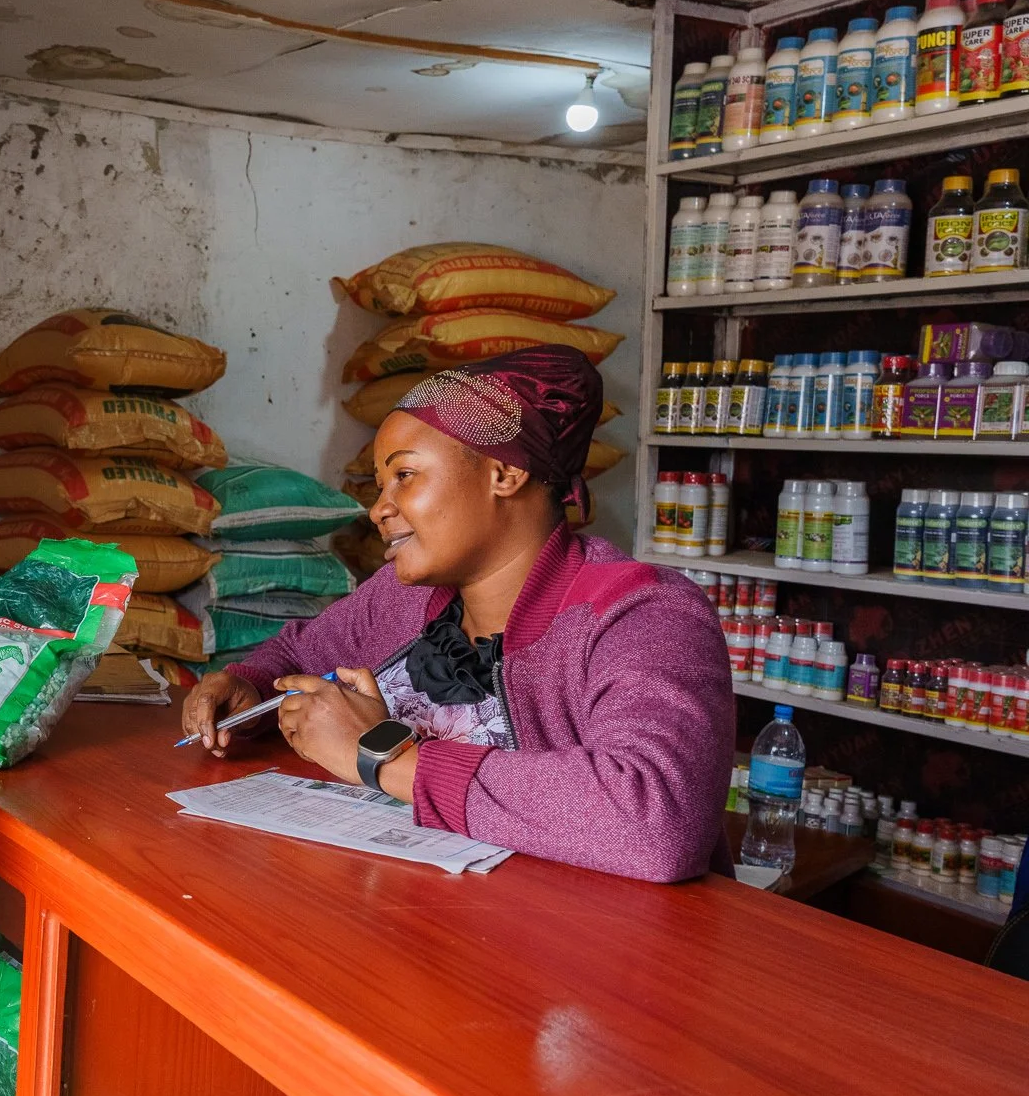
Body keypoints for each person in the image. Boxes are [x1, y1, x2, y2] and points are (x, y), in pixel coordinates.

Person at [181, 346, 735, 882]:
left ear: (505, 473)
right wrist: (246, 687)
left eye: (405, 475)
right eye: (379, 486)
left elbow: (655, 820)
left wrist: (382, 756)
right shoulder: (405, 598)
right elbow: (299, 652)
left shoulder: (643, 614)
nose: (379, 509)